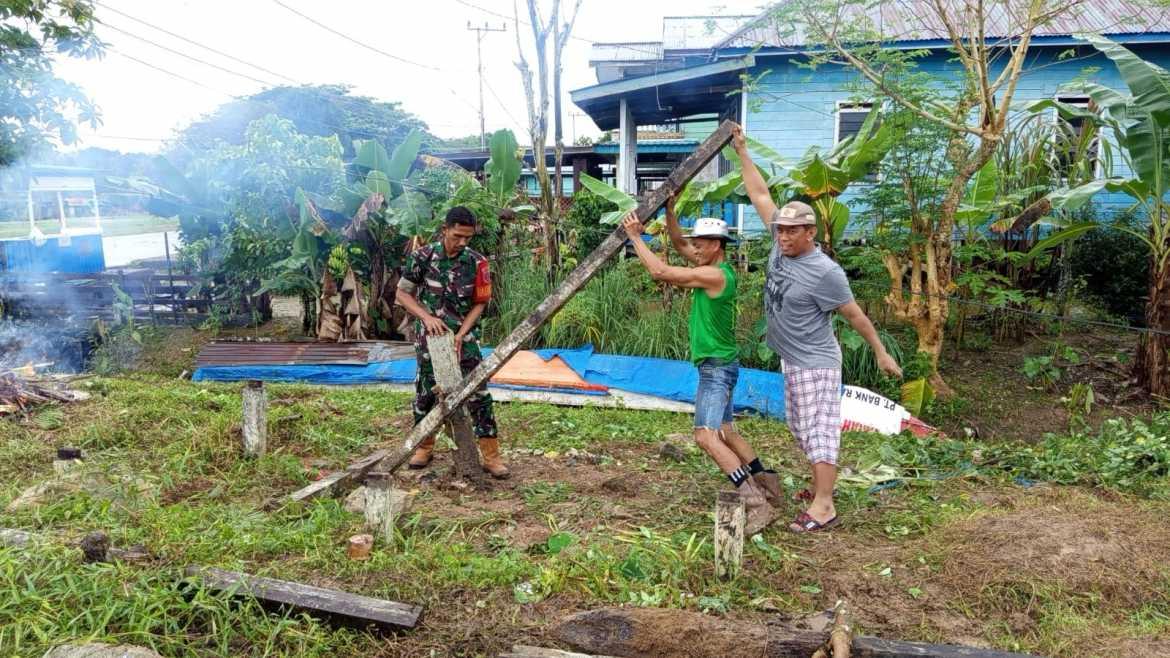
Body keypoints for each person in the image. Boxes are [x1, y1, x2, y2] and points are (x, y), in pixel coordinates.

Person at [730, 124, 903, 533]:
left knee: (819, 429)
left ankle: (824, 505)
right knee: (800, 425)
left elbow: (855, 315)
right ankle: (819, 486)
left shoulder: (826, 272)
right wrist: (741, 151)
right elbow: (759, 193)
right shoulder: (778, 244)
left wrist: (880, 350)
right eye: (781, 229)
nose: (784, 236)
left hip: (816, 361)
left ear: (811, 232)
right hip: (793, 358)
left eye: (793, 231)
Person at [620, 198, 780, 535]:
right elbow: (679, 245)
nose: (694, 248)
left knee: (706, 437)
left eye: (701, 244)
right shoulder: (717, 268)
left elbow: (660, 272)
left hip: (716, 368)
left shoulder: (712, 275)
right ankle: (768, 485)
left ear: (717, 246)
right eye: (695, 243)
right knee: (726, 432)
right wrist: (671, 212)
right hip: (723, 363)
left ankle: (755, 501)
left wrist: (635, 237)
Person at [395, 206, 509, 479]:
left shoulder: (478, 263)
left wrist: (461, 334)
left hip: (465, 338)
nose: (462, 242)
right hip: (430, 340)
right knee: (425, 393)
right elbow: (402, 294)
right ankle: (424, 445)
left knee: (478, 393)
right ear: (444, 229)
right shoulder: (421, 257)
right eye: (457, 236)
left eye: (468, 238)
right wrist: (426, 317)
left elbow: (480, 304)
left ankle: (491, 455)